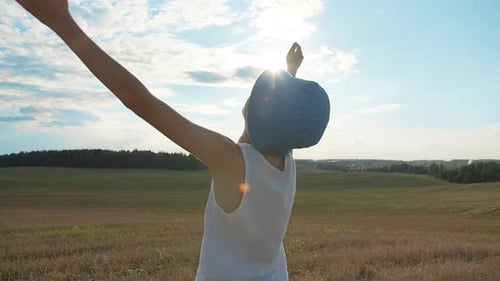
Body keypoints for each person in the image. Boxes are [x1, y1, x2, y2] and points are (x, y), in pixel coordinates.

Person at [14, 1, 330, 280]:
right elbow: (272, 132)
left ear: (264, 114)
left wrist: (64, 24)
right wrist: (289, 72)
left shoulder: (229, 159)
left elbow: (141, 101)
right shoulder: (283, 163)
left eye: (262, 94)